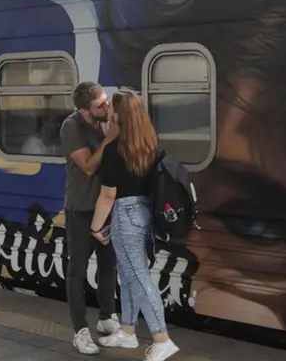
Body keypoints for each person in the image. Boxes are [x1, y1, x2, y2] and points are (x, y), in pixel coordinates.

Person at [90, 88, 179, 361]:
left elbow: (108, 195)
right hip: (144, 212)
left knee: (138, 277)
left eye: (112, 109)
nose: (109, 113)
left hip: (125, 215)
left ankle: (162, 339)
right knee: (128, 274)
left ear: (120, 114)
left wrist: (95, 227)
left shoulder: (115, 150)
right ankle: (128, 331)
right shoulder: (151, 142)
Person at [60, 81, 121, 355]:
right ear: (86, 110)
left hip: (105, 210)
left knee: (108, 264)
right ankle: (80, 331)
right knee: (78, 269)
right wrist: (109, 139)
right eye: (100, 104)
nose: (107, 106)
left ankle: (107, 316)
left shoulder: (105, 121)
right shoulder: (72, 127)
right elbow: (87, 167)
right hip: (81, 209)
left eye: (106, 100)